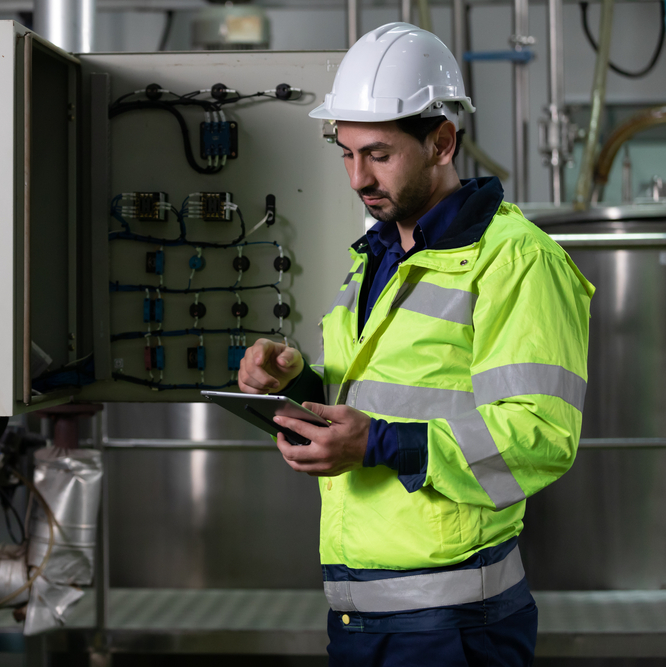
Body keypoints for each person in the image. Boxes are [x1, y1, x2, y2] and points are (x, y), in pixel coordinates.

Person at [237, 22, 594, 667]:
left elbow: (540, 437)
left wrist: (378, 442)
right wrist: (294, 387)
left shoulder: (516, 262)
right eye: (345, 153)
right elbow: (373, 397)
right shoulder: (375, 256)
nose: (356, 178)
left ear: (442, 142)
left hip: (454, 623)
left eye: (377, 154)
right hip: (357, 611)